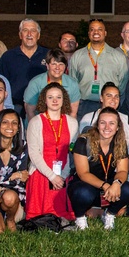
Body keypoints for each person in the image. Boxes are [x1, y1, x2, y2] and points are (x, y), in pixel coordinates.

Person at [68, 107, 129, 230]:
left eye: (112, 123)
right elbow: (83, 173)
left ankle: (109, 214)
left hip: (108, 184)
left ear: (118, 127)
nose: (107, 127)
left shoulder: (120, 143)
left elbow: (122, 171)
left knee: (128, 190)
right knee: (83, 193)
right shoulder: (83, 141)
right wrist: (105, 186)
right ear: (97, 125)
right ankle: (80, 218)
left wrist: (116, 183)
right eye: (103, 122)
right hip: (85, 183)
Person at [25, 83, 79, 220]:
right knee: (39, 218)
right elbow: (33, 153)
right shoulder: (35, 122)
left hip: (63, 170)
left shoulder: (72, 123)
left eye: (58, 97)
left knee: (63, 217)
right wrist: (52, 176)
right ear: (44, 100)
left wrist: (63, 175)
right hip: (41, 171)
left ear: (64, 100)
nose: (55, 101)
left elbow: (69, 152)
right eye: (50, 97)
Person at [69, 18, 129, 120]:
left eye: (99, 29)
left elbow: (123, 84)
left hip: (109, 105)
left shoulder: (118, 56)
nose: (96, 32)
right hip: (84, 106)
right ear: (88, 33)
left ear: (105, 33)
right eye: (92, 29)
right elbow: (72, 82)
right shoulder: (77, 56)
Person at [0, 19, 48, 118]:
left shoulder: (48, 55)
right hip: (15, 107)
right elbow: (0, 82)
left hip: (43, 108)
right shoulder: (8, 56)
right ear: (20, 35)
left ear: (38, 35)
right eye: (25, 30)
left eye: (33, 30)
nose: (29, 34)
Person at [24, 48, 81, 119]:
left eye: (61, 64)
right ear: (47, 66)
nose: (57, 68)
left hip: (62, 123)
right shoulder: (36, 83)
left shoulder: (72, 83)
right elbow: (30, 111)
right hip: (39, 122)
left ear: (65, 66)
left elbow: (73, 112)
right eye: (54, 64)